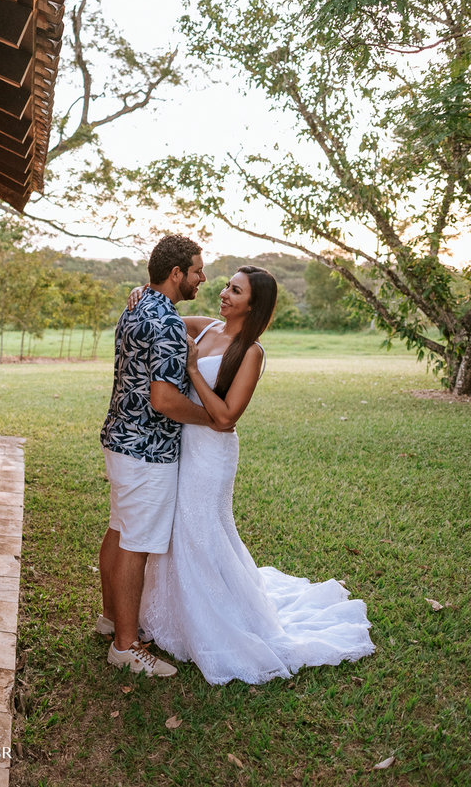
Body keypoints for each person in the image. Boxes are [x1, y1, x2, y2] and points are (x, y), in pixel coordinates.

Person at [135, 266, 375, 684]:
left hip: (212, 453)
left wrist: (192, 370)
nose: (224, 293)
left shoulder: (251, 352)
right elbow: (165, 311)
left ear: (253, 303)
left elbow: (226, 418)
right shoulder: (206, 326)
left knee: (201, 530)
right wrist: (142, 292)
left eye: (235, 290)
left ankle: (215, 622)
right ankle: (171, 614)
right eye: (227, 286)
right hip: (183, 447)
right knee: (179, 530)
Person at [97, 234, 226, 677]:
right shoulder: (167, 323)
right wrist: (212, 418)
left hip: (120, 440)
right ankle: (126, 646)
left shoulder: (137, 307)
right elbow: (165, 400)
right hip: (148, 451)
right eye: (196, 270)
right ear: (176, 274)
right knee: (137, 544)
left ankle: (111, 619)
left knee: (119, 529)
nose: (202, 278)